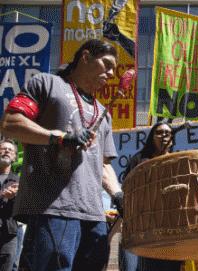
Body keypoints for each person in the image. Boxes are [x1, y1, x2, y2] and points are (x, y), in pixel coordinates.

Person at [0, 39, 123, 271]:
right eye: (106, 64)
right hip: (52, 207)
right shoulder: (48, 84)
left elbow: (103, 165)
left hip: (94, 214)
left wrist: (118, 195)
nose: (110, 74)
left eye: (113, 70)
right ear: (85, 57)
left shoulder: (104, 114)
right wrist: (58, 136)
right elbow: (10, 122)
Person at [119, 121, 183, 271]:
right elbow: (126, 188)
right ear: (151, 137)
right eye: (159, 132)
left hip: (170, 226)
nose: (164, 136)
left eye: (167, 133)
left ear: (172, 139)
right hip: (143, 225)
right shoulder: (139, 160)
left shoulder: (177, 161)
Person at [0, 139, 19, 271]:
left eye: (10, 150)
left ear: (14, 157)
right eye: (3, 148)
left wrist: (15, 198)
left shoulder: (19, 182)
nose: (7, 151)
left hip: (8, 234)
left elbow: (26, 209)